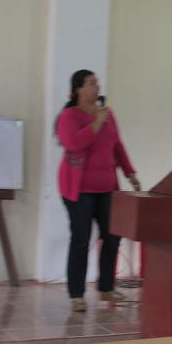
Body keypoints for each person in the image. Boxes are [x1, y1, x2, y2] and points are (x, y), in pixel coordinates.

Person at [56, 70, 141, 312]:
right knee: (81, 239)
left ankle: (106, 287)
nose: (97, 87)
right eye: (92, 83)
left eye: (97, 83)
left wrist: (130, 173)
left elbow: (117, 146)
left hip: (107, 188)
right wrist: (95, 124)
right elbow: (73, 144)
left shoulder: (108, 114)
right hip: (79, 190)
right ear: (78, 89)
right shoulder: (69, 116)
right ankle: (76, 294)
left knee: (112, 236)